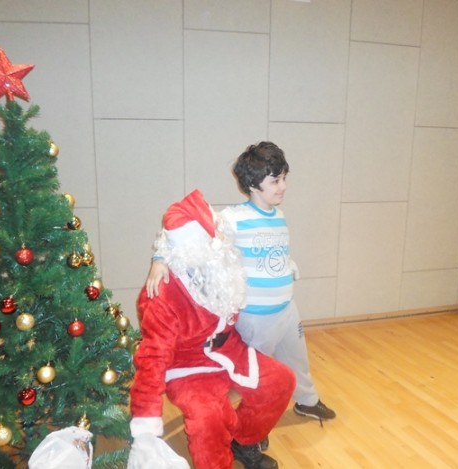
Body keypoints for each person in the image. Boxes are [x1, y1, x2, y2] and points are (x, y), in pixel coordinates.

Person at [147, 142, 335, 424]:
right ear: (253, 184)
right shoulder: (233, 219)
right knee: (253, 378)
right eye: (275, 181)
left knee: (298, 359)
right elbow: (182, 231)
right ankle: (248, 430)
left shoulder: (279, 216)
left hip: (287, 308)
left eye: (284, 178)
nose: (283, 186)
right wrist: (159, 259)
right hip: (256, 318)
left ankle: (307, 401)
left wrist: (288, 267)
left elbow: (272, 256)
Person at [129, 189, 295, 469]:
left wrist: (159, 257)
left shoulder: (221, 258)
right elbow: (152, 359)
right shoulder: (162, 293)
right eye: (212, 238)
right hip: (188, 367)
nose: (220, 242)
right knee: (208, 420)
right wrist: (146, 425)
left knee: (280, 381)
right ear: (191, 249)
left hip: (230, 350)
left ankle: (243, 441)